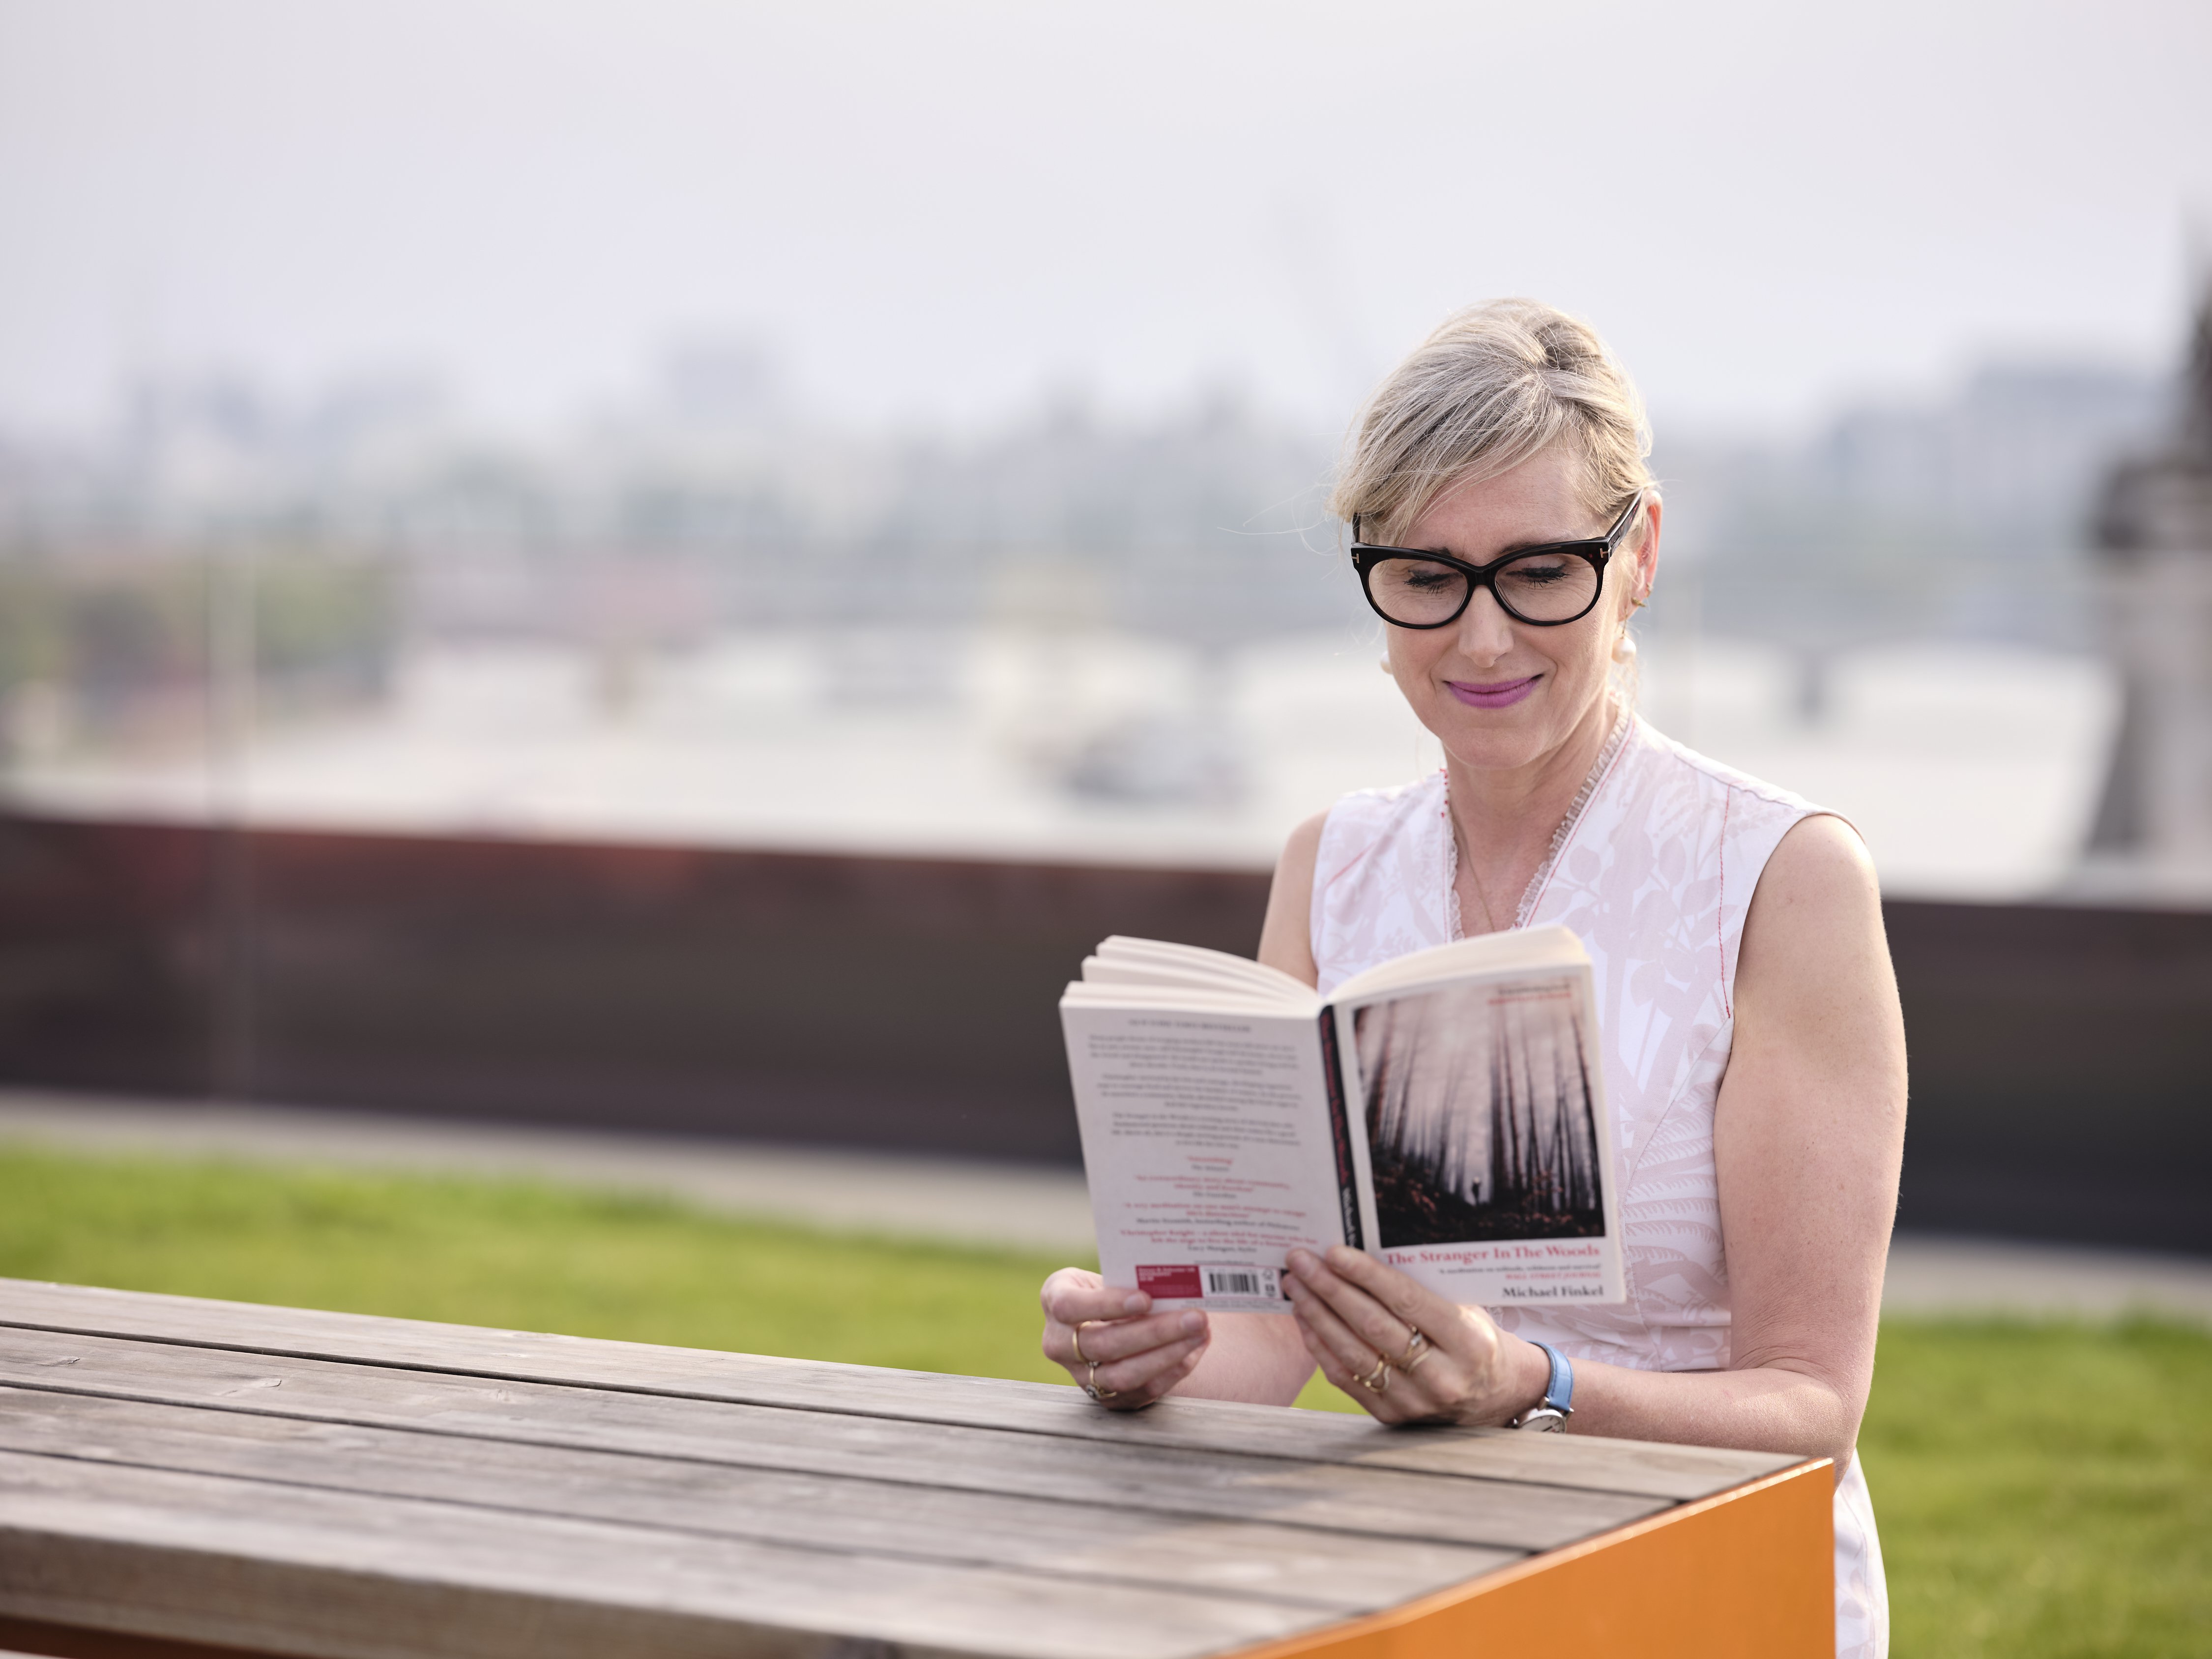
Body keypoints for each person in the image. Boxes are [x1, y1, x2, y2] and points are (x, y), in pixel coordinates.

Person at [1037, 298, 1906, 1659]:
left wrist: (1529, 1383)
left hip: (1716, 1596)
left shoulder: (1782, 878)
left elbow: (1809, 1406)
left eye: (1540, 570)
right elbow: (1271, 1336)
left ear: (1639, 556)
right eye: (1426, 577)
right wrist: (1149, 1350)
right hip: (1418, 1592)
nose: (1482, 640)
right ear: (1369, 575)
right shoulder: (1330, 865)